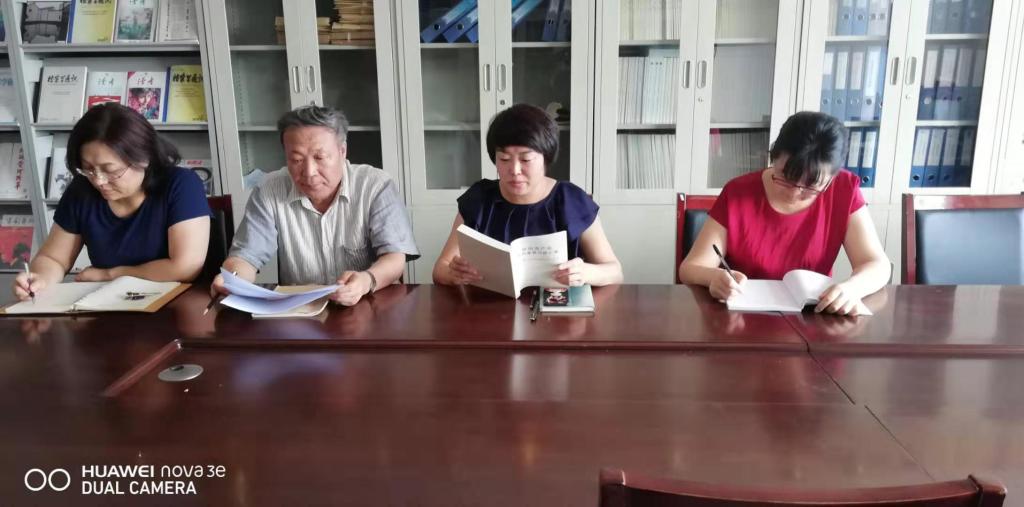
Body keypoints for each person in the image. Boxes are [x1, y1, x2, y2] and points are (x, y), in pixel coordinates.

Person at [677, 111, 890, 315]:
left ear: (832, 178)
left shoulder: (844, 190)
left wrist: (853, 288)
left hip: (813, 318)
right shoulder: (737, 192)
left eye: (811, 186)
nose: (794, 193)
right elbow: (690, 268)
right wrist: (715, 277)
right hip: (742, 316)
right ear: (773, 156)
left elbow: (877, 265)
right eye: (786, 178)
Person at [212, 105, 419, 306]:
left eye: (320, 157)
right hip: (300, 310)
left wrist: (366, 281)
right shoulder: (268, 190)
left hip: (367, 305)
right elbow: (246, 257)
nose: (309, 172)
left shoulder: (375, 185)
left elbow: (394, 258)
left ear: (342, 151)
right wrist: (232, 280)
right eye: (296, 160)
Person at [12, 103, 211, 301]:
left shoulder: (181, 184)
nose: (99, 181)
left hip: (176, 305)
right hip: (109, 305)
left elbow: (185, 267)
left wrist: (111, 275)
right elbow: (53, 258)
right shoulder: (82, 190)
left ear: (144, 158)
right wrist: (40, 279)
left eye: (111, 171)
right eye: (88, 169)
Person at [433, 103, 622, 288]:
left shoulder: (571, 200)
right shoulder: (479, 199)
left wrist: (585, 273)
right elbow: (440, 269)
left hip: (557, 306)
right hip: (490, 305)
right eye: (504, 159)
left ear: (546, 158)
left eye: (526, 159)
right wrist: (454, 274)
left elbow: (614, 272)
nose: (514, 170)